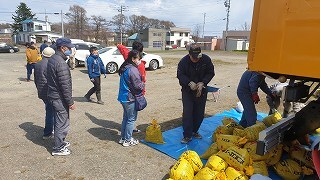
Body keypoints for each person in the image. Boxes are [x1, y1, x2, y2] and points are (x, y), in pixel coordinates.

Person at [177, 44, 215, 144]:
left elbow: (211, 72)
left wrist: (203, 82)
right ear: (189, 55)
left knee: (199, 114)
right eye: (193, 58)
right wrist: (189, 82)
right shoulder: (183, 62)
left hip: (201, 90)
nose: (195, 60)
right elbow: (180, 75)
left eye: (197, 57)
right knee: (188, 113)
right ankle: (187, 135)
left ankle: (194, 131)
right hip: (188, 91)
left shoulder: (206, 59)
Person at [47, 38, 76, 156]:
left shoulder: (54, 59)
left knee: (59, 121)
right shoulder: (60, 63)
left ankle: (60, 142)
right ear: (62, 48)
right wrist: (70, 101)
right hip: (59, 97)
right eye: (69, 48)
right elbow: (65, 85)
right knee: (62, 122)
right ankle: (58, 147)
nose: (70, 50)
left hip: (54, 95)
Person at [117, 41, 146, 133]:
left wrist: (119, 45)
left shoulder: (127, 63)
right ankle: (128, 138)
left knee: (126, 117)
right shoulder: (135, 68)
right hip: (131, 96)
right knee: (131, 118)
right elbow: (139, 83)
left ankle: (124, 136)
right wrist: (142, 89)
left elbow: (123, 50)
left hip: (124, 95)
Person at [34, 47, 55, 139]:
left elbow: (35, 79)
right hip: (48, 92)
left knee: (49, 110)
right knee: (50, 112)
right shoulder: (49, 65)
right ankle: (48, 132)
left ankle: (50, 130)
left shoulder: (38, 64)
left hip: (41, 91)